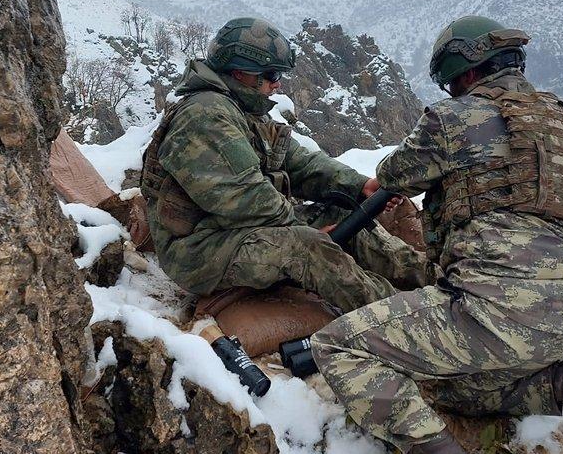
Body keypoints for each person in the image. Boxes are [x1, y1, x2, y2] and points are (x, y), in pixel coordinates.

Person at [310, 15, 563, 454]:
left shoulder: (453, 119)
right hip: (561, 312)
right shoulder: (560, 122)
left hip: (492, 309)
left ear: (462, 71)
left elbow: (393, 175)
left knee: (339, 345)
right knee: (463, 388)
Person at [140, 17, 432, 315]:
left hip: (232, 231)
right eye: (271, 74)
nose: (277, 83)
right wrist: (306, 231)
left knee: (341, 212)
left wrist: (359, 186)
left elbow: (300, 162)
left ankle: (428, 277)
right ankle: (407, 318)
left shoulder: (244, 110)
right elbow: (246, 199)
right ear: (241, 73)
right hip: (199, 250)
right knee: (306, 247)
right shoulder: (205, 116)